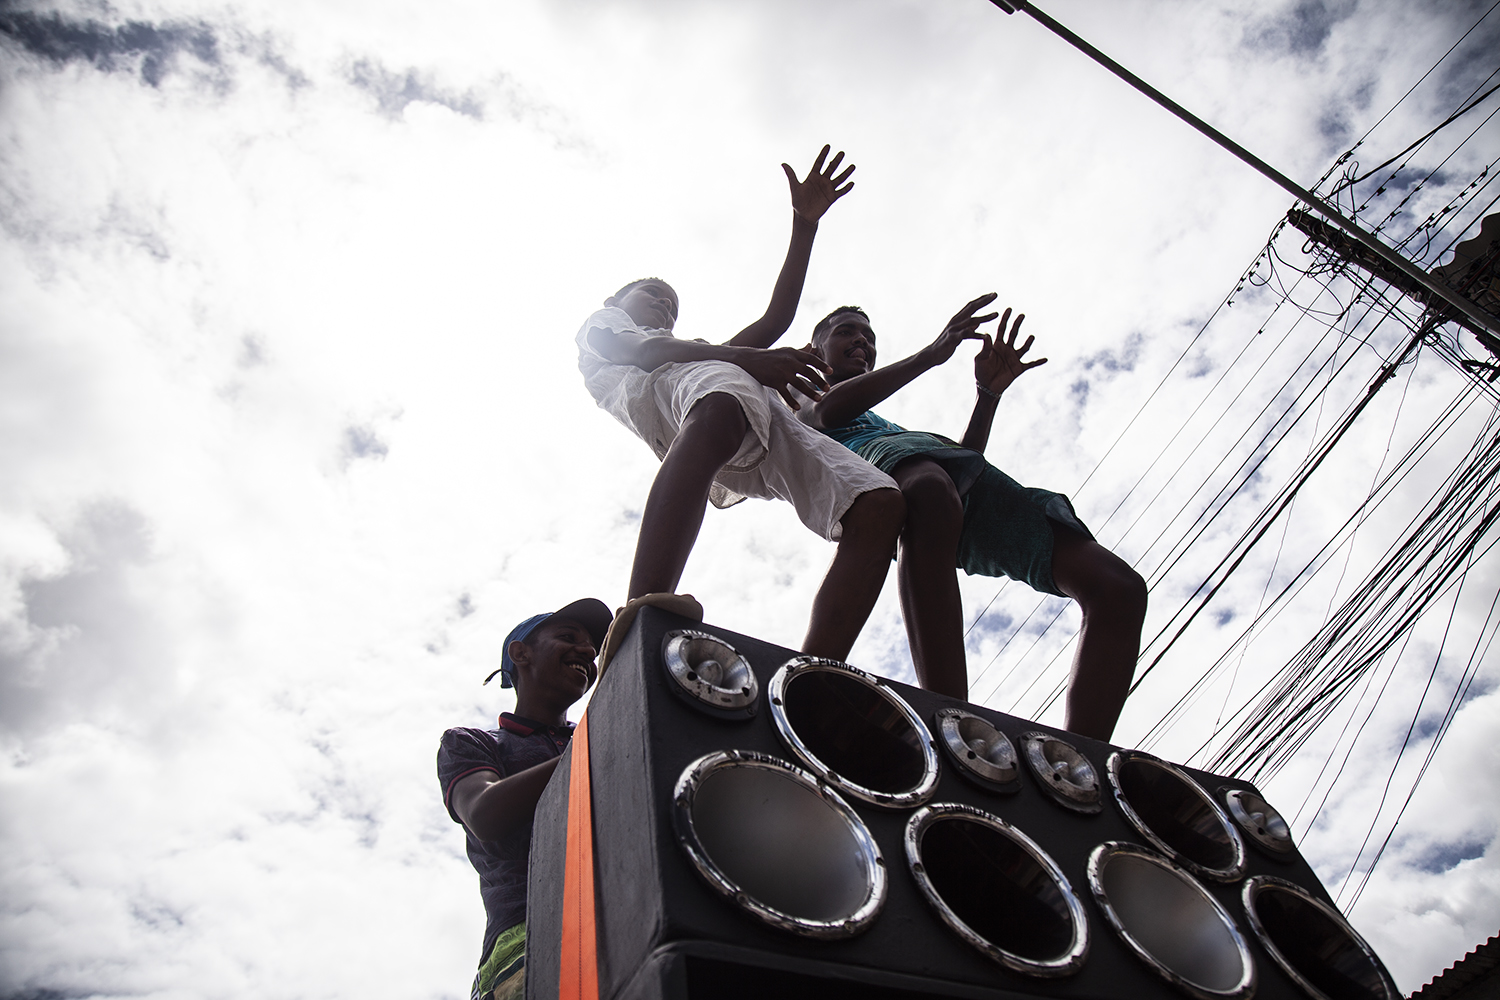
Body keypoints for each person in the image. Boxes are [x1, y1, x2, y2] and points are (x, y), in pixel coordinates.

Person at [576, 147, 904, 662]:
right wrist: (753, 362)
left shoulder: (704, 357)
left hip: (747, 414)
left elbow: (775, 320)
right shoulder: (606, 327)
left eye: (672, 303)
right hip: (689, 406)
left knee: (880, 501)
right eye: (652, 293)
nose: (664, 304)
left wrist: (805, 226)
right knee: (725, 393)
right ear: (615, 300)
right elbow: (647, 351)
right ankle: (641, 608)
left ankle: (815, 669)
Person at [799, 297, 1147, 741]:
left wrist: (988, 395)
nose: (862, 342)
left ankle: (1082, 755)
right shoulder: (802, 390)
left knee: (1119, 588)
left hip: (953, 480)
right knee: (928, 489)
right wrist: (932, 353)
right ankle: (953, 718)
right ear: (814, 349)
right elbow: (826, 413)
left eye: (869, 337)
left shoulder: (882, 421)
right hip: (909, 480)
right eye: (847, 332)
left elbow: (963, 466)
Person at [437, 598, 613, 1000]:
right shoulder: (471, 743)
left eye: (593, 648)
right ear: (521, 654)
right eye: (569, 638)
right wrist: (589, 743)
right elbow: (484, 814)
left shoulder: (604, 736)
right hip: (526, 940)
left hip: (620, 913)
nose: (588, 652)